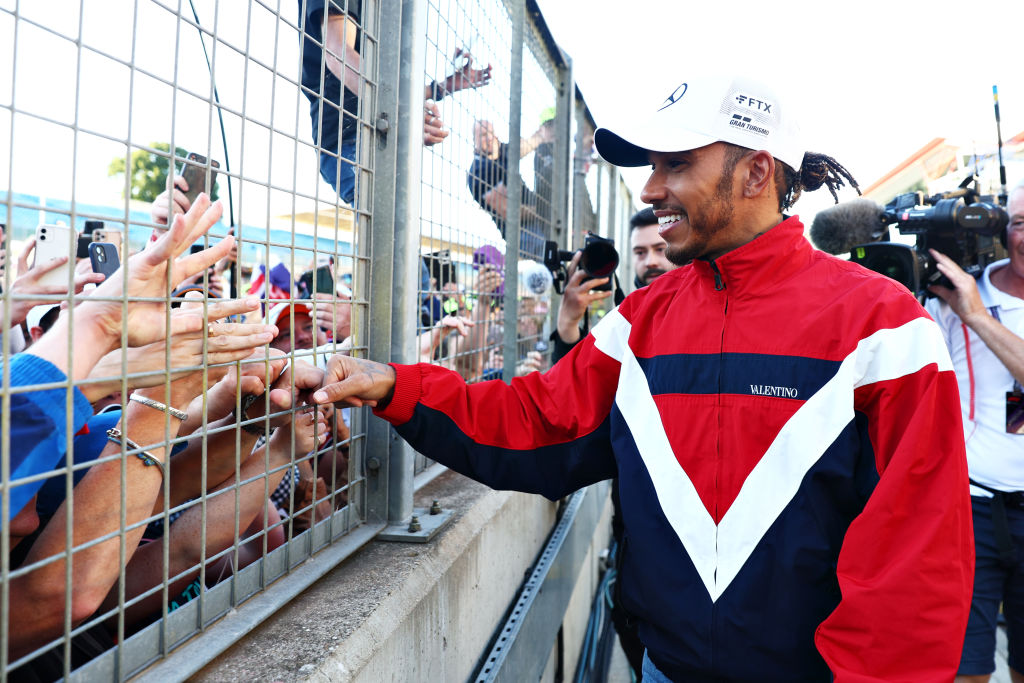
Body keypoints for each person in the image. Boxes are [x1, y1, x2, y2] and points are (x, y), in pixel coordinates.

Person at [313, 75, 975, 681]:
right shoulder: (641, 321)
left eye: (675, 164)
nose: (651, 189)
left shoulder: (886, 327)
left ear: (757, 172)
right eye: (652, 167)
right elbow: (536, 421)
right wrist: (397, 386)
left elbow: (916, 566)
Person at [925, 180, 1024, 683]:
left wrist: (978, 317)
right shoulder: (952, 293)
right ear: (1001, 228)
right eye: (1021, 222)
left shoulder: (971, 303)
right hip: (972, 508)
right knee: (963, 669)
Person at [298, 1, 491, 203]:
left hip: (377, 130)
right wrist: (402, 112)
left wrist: (441, 88)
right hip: (349, 135)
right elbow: (338, 54)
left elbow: (382, 84)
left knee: (394, 225)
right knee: (387, 224)